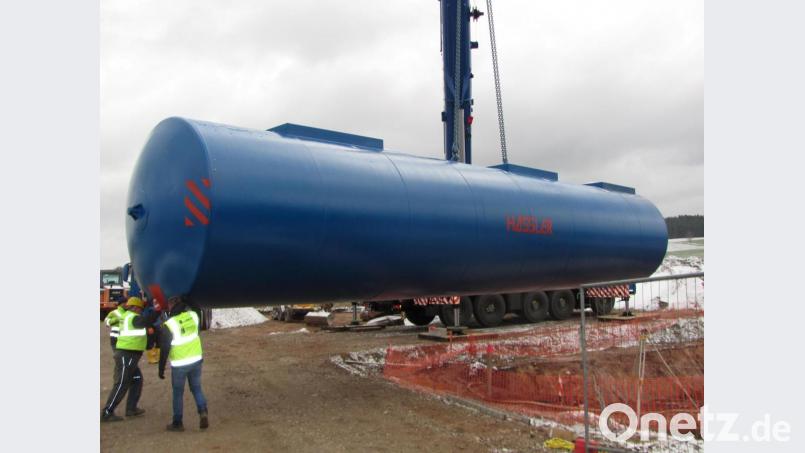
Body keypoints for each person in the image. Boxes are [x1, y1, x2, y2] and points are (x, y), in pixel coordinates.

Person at [101, 296, 158, 422]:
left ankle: (131, 408)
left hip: (129, 355)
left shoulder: (128, 316)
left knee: (137, 379)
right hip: (127, 355)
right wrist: (157, 310)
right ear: (136, 308)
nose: (141, 311)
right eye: (140, 309)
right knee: (122, 383)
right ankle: (107, 412)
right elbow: (146, 320)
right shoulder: (133, 318)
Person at [159, 296, 209, 432]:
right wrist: (187, 297)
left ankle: (177, 422)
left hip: (180, 364)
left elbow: (164, 348)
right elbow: (197, 307)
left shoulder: (170, 324)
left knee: (178, 393)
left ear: (171, 306)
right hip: (196, 360)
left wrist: (161, 368)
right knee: (197, 389)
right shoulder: (193, 316)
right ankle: (203, 411)